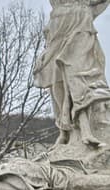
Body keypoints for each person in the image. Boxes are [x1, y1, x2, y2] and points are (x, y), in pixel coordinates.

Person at [34, 0, 110, 147]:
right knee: (56, 80)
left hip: (81, 24)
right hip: (58, 26)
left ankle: (86, 129)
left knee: (78, 75)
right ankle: (65, 131)